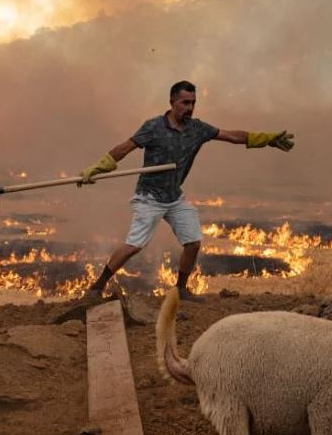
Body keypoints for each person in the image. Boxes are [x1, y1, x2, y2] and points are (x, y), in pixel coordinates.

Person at [78, 80, 294, 302]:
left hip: (174, 197)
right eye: (184, 103)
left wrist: (267, 139)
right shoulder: (153, 127)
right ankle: (97, 287)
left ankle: (180, 289)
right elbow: (125, 147)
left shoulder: (197, 129)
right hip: (149, 198)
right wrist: (99, 166)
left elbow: (231, 136)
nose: (189, 108)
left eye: (193, 103)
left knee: (193, 243)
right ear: (172, 102)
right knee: (134, 246)